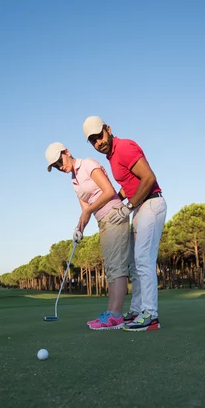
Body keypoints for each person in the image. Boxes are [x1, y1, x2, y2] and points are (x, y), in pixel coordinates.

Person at [82, 116, 167, 332]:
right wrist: (118, 203)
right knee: (134, 264)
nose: (98, 142)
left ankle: (151, 316)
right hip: (140, 207)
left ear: (108, 129)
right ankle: (138, 310)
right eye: (93, 141)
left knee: (143, 260)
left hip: (151, 203)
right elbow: (128, 184)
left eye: (99, 136)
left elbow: (148, 178)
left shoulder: (124, 147)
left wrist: (127, 207)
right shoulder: (112, 157)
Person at [45, 142, 130, 330]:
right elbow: (85, 211)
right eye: (56, 166)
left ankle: (116, 315)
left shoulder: (88, 164)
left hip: (115, 214)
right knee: (110, 268)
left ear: (67, 152)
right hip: (102, 220)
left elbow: (109, 191)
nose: (60, 167)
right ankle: (111, 313)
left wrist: (90, 210)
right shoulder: (74, 181)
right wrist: (79, 228)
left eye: (60, 161)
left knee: (117, 266)